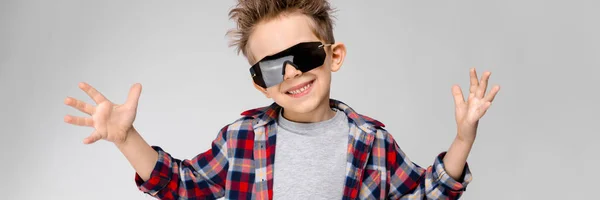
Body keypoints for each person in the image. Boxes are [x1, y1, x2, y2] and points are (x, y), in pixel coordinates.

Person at [63, 0, 500, 199]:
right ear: (260, 84)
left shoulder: (372, 143)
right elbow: (181, 185)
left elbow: (427, 193)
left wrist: (463, 138)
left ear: (334, 56)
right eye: (273, 66)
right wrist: (125, 137)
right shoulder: (240, 141)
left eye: (304, 55)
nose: (291, 72)